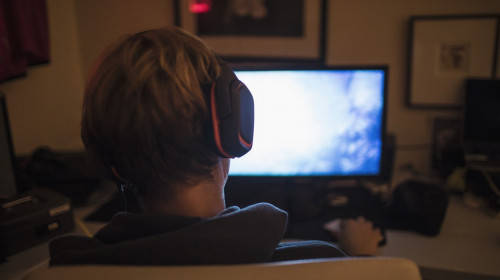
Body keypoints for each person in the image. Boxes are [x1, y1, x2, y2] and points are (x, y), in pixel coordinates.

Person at [49, 26, 382, 266]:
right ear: (233, 130)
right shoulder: (321, 264)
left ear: (107, 159)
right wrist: (364, 259)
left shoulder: (66, 269)